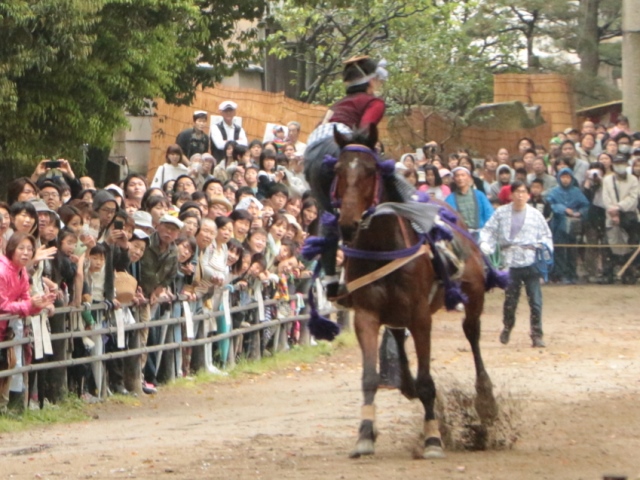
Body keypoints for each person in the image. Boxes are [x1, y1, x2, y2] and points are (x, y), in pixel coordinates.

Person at [303, 55, 389, 298]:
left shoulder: (339, 104)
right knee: (385, 181)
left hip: (310, 153)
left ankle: (330, 279)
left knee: (330, 214)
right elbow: (363, 132)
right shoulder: (373, 102)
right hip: (337, 146)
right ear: (372, 81)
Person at [479, 181, 553, 348]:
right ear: (511, 195)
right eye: (517, 192)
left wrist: (544, 252)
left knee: (535, 300)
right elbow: (489, 230)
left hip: (531, 261)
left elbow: (546, 235)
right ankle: (507, 326)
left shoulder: (536, 215)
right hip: (510, 262)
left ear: (528, 195)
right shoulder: (501, 213)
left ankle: (537, 334)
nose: (520, 195)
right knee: (511, 300)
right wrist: (485, 243)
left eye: (523, 192)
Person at [546, 168, 590, 284]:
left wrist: (579, 213)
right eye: (563, 177)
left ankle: (572, 273)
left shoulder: (576, 191)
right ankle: (560, 274)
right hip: (558, 224)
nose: (565, 180)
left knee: (572, 250)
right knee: (559, 249)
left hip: (573, 225)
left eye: (568, 177)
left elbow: (585, 205)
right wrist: (564, 209)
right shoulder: (554, 191)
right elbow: (550, 204)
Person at [601, 154, 640, 284]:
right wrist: (613, 212)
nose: (620, 166)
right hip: (611, 218)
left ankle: (629, 273)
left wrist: (618, 207)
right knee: (613, 245)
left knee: (630, 246)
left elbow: (633, 199)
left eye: (622, 163)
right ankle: (611, 273)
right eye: (617, 163)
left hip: (629, 218)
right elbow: (606, 198)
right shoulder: (607, 180)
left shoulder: (633, 180)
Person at [445, 167, 494, 236]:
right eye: (457, 176)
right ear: (454, 179)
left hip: (481, 234)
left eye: (463, 175)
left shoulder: (480, 195)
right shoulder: (449, 199)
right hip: (461, 236)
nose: (460, 178)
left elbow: (490, 214)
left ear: (469, 177)